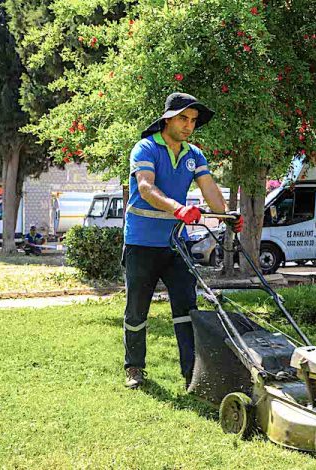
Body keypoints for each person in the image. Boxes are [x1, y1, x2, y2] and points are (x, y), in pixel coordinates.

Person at [122, 92, 243, 389]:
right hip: (141, 243)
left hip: (176, 244)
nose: (189, 126)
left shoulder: (194, 155)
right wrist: (178, 208)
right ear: (167, 119)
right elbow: (146, 188)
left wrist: (227, 215)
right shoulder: (146, 148)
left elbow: (210, 191)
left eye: (192, 120)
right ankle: (134, 368)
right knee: (137, 309)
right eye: (182, 118)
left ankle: (192, 373)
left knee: (187, 309)